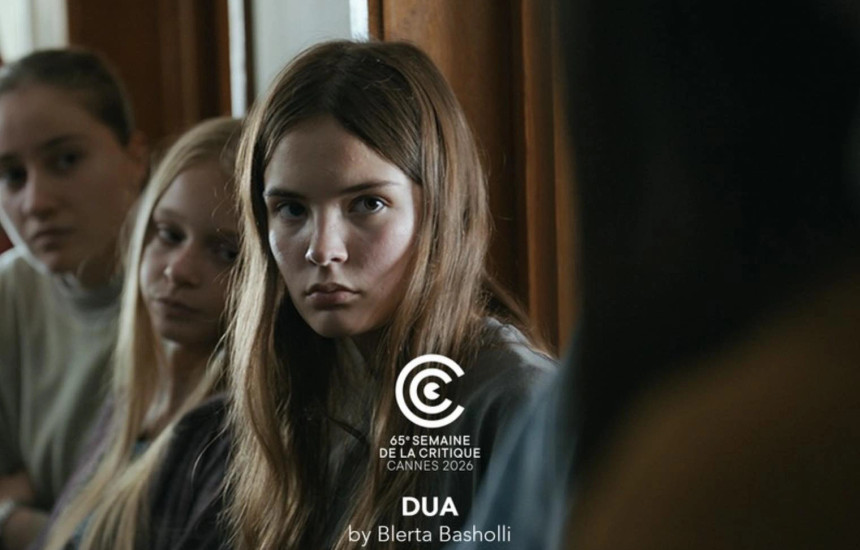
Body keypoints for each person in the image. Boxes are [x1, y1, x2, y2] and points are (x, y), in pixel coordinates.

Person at [227, 40, 555, 550]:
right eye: (292, 209)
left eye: (367, 204)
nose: (322, 249)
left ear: (439, 209)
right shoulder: (304, 394)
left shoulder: (518, 404)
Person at [30, 116, 242, 550]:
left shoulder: (230, 439)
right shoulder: (135, 398)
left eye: (226, 252)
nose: (178, 270)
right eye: (169, 234)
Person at [0, 48, 147, 538]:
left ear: (135, 157)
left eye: (65, 160)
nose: (36, 202)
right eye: (12, 175)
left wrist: (16, 522)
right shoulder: (10, 290)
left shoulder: (191, 291)